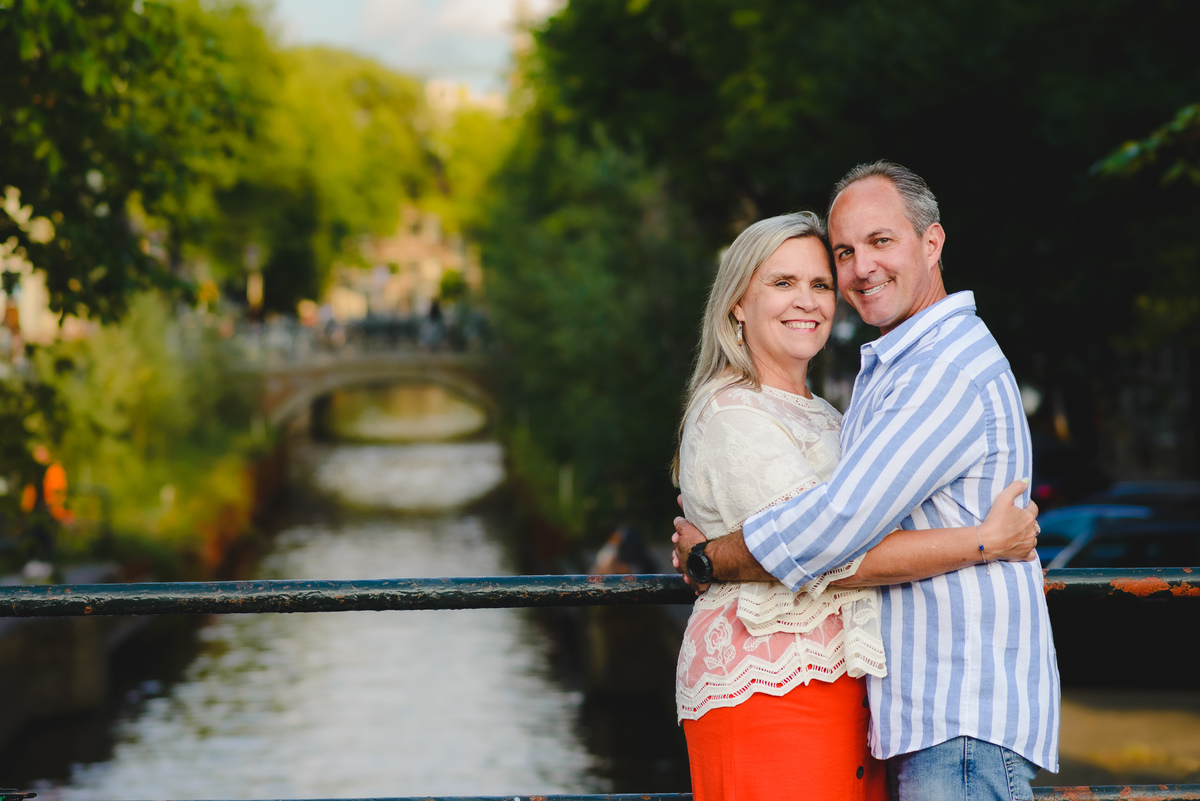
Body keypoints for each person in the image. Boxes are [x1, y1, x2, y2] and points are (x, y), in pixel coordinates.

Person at [673, 161, 1060, 801]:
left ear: (931, 244)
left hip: (954, 710)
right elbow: (841, 531)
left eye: (880, 243)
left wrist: (713, 557)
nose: (857, 270)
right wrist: (983, 540)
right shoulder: (885, 370)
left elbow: (834, 530)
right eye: (845, 253)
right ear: (738, 302)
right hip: (876, 705)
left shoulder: (939, 371)